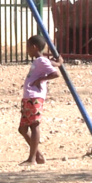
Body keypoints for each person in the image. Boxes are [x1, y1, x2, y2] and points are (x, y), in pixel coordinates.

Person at [19, 35, 63, 166]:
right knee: (22, 129)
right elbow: (50, 63)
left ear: (34, 47)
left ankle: (32, 159)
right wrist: (59, 63)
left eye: (28, 47)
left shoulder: (40, 61)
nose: (27, 50)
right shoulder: (40, 60)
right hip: (29, 97)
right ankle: (38, 155)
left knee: (34, 126)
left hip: (34, 97)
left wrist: (39, 80)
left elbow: (55, 73)